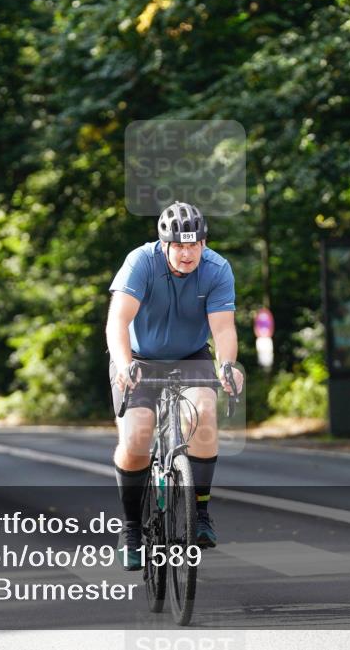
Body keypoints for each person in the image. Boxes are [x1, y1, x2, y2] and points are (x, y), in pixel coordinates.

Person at [106, 201, 244, 571]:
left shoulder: (217, 269)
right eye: (179, 246)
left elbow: (223, 328)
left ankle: (200, 512)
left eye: (194, 245)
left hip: (190, 355)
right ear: (164, 244)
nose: (187, 254)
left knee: (204, 413)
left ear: (204, 243)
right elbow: (117, 321)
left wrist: (227, 365)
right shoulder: (140, 262)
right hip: (138, 357)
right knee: (137, 436)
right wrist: (124, 364)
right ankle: (131, 528)